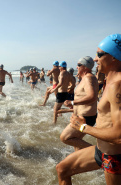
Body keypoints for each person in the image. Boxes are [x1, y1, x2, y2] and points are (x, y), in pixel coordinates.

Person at [56, 34, 121, 185]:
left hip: (114, 155)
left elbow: (118, 135)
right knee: (62, 169)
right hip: (100, 149)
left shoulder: (117, 86)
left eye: (99, 54)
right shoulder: (108, 81)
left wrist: (83, 127)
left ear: (113, 58)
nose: (95, 59)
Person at [60, 56, 98, 151]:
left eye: (78, 65)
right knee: (77, 141)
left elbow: (92, 96)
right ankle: (78, 161)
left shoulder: (88, 78)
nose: (76, 67)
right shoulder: (87, 78)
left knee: (65, 137)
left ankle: (98, 152)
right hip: (84, 117)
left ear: (85, 67)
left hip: (85, 118)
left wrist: (72, 102)